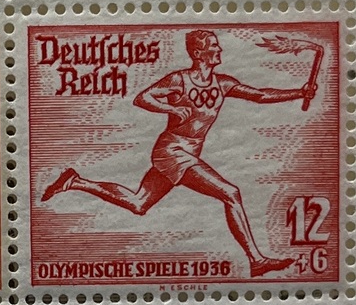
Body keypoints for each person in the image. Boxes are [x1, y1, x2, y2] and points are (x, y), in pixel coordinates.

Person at [39, 27, 320, 277]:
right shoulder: (179, 80)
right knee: (231, 193)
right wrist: (171, 108)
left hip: (185, 154)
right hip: (172, 151)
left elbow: (259, 95)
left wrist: (299, 92)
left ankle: (76, 181)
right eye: (214, 46)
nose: (220, 50)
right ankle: (256, 261)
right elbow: (143, 98)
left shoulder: (223, 83)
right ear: (198, 53)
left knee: (139, 203)